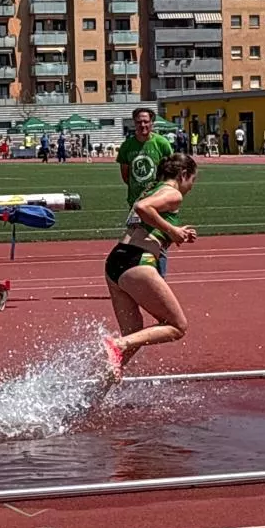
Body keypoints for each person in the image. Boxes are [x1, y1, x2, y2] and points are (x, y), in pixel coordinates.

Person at [100, 153, 199, 389]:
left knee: (133, 334)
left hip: (117, 260)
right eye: (193, 180)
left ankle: (99, 390)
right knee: (176, 326)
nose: (191, 187)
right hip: (137, 262)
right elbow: (142, 208)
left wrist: (176, 231)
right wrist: (173, 232)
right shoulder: (172, 193)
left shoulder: (151, 189)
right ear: (183, 175)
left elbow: (144, 220)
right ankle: (117, 346)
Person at [116, 107, 173, 275]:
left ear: (152, 123)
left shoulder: (161, 143)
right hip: (136, 204)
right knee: (136, 242)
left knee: (158, 241)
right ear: (134, 124)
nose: (142, 125)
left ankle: (159, 278)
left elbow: (170, 170)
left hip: (159, 202)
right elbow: (125, 175)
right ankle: (139, 276)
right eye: (139, 122)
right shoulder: (128, 146)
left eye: (146, 121)